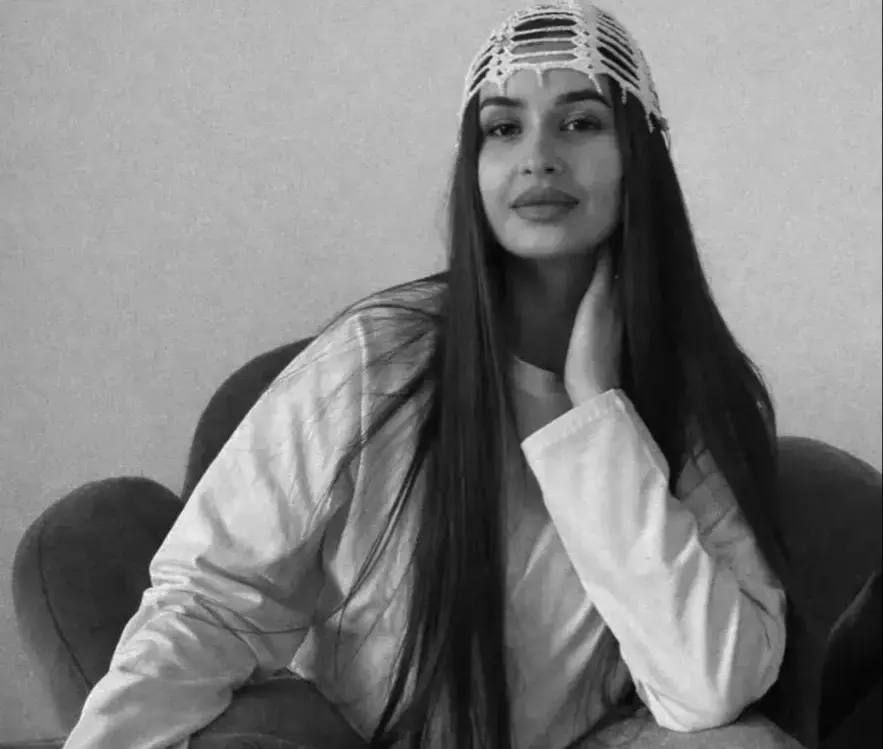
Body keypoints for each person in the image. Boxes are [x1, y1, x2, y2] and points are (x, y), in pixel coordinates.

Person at [63, 2, 804, 747]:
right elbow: (211, 599)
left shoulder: (697, 395)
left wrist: (596, 409)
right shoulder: (375, 357)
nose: (538, 156)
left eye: (580, 122)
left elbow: (706, 685)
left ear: (640, 154)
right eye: (502, 128)